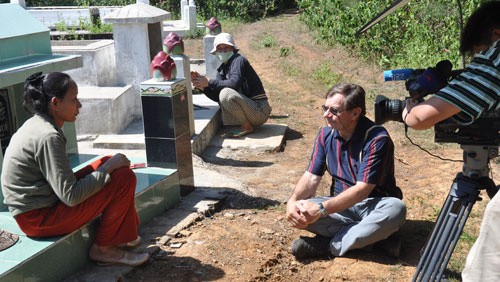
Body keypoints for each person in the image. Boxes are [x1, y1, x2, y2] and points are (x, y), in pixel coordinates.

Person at [0, 72, 149, 266]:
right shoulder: (48, 136)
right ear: (55, 103)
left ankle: (122, 236)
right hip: (38, 219)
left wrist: (107, 166)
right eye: (74, 99)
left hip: (43, 205)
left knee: (107, 162)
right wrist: (108, 169)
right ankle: (103, 249)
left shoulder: (39, 124)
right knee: (122, 177)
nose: (79, 105)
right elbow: (71, 196)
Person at [401, 2, 499, 281]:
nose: (479, 59)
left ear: (496, 34)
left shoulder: (496, 58)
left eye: (479, 52)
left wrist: (410, 106)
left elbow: (420, 119)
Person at [286, 83, 407, 259]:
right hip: (338, 206)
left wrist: (320, 210)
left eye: (334, 111)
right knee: (300, 209)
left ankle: (328, 246)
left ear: (355, 113)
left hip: (372, 205)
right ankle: (375, 239)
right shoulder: (325, 135)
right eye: (325, 108)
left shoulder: (377, 139)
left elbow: (361, 191)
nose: (325, 115)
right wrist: (292, 202)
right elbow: (311, 177)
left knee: (396, 209)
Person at [191, 32, 272, 138]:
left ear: (233, 49)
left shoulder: (238, 60)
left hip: (259, 109)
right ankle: (246, 125)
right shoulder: (222, 69)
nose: (223, 51)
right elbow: (218, 97)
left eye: (226, 47)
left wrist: (209, 81)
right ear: (215, 52)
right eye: (219, 48)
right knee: (223, 94)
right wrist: (203, 87)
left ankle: (247, 127)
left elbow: (234, 83)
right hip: (250, 109)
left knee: (226, 93)